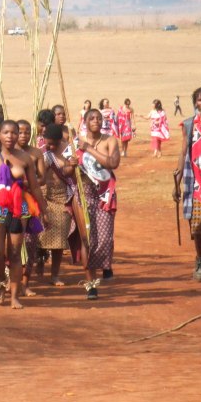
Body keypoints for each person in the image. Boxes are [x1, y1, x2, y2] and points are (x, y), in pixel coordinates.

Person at [0, 120, 47, 310]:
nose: (10, 136)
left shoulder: (24, 158)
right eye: (6, 132)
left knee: (16, 253)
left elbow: (34, 186)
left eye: (14, 133)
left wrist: (44, 209)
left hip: (19, 209)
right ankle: (1, 282)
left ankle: (15, 296)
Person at [78, 108, 120, 297]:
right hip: (83, 194)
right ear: (85, 121)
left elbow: (112, 163)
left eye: (99, 118)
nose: (95, 120)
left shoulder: (109, 140)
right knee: (87, 239)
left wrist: (88, 149)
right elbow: (67, 169)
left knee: (104, 238)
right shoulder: (76, 141)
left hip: (104, 194)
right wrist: (70, 163)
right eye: (91, 118)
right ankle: (91, 284)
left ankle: (105, 264)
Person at [174, 86, 201, 282]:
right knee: (197, 225)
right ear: (195, 103)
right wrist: (177, 181)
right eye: (200, 100)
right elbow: (183, 153)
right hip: (197, 182)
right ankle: (200, 259)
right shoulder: (189, 125)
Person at [40, 123, 82, 287]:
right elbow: (40, 175)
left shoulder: (69, 150)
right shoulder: (44, 152)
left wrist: (72, 165)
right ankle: (39, 265)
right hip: (45, 196)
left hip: (63, 197)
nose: (49, 146)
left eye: (52, 143)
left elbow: (66, 173)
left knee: (58, 240)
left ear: (59, 140)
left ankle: (55, 275)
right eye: (47, 142)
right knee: (39, 237)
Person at [17, 119, 46, 297]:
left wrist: (28, 183)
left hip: (31, 202)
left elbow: (42, 178)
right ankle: (11, 280)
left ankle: (25, 283)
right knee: (12, 243)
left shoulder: (36, 153)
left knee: (30, 242)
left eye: (27, 132)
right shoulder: (8, 153)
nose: (23, 135)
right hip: (11, 202)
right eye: (20, 132)